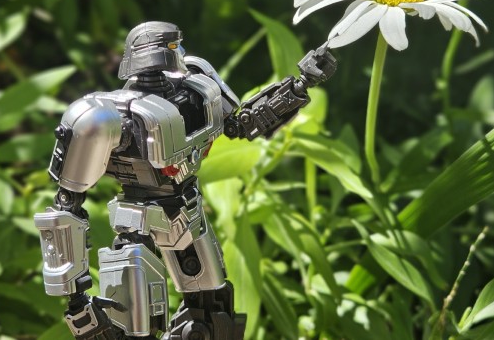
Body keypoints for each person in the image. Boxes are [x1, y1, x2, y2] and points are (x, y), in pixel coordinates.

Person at [34, 21, 336, 340]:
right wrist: (77, 303)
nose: (173, 52)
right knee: (134, 322)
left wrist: (299, 86)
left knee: (213, 313)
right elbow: (66, 205)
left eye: (175, 44)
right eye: (167, 45)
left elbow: (241, 123)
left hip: (186, 210)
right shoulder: (110, 114)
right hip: (138, 220)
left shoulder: (195, 84)